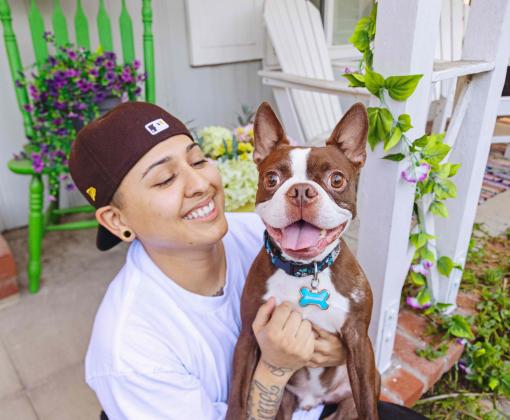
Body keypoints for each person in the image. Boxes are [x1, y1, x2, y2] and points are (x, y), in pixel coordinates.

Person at [70, 101, 427, 420]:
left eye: (198, 160)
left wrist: (337, 351)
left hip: (331, 398)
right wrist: (274, 367)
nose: (199, 183)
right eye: (164, 179)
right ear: (117, 221)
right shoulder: (128, 351)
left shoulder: (266, 231)